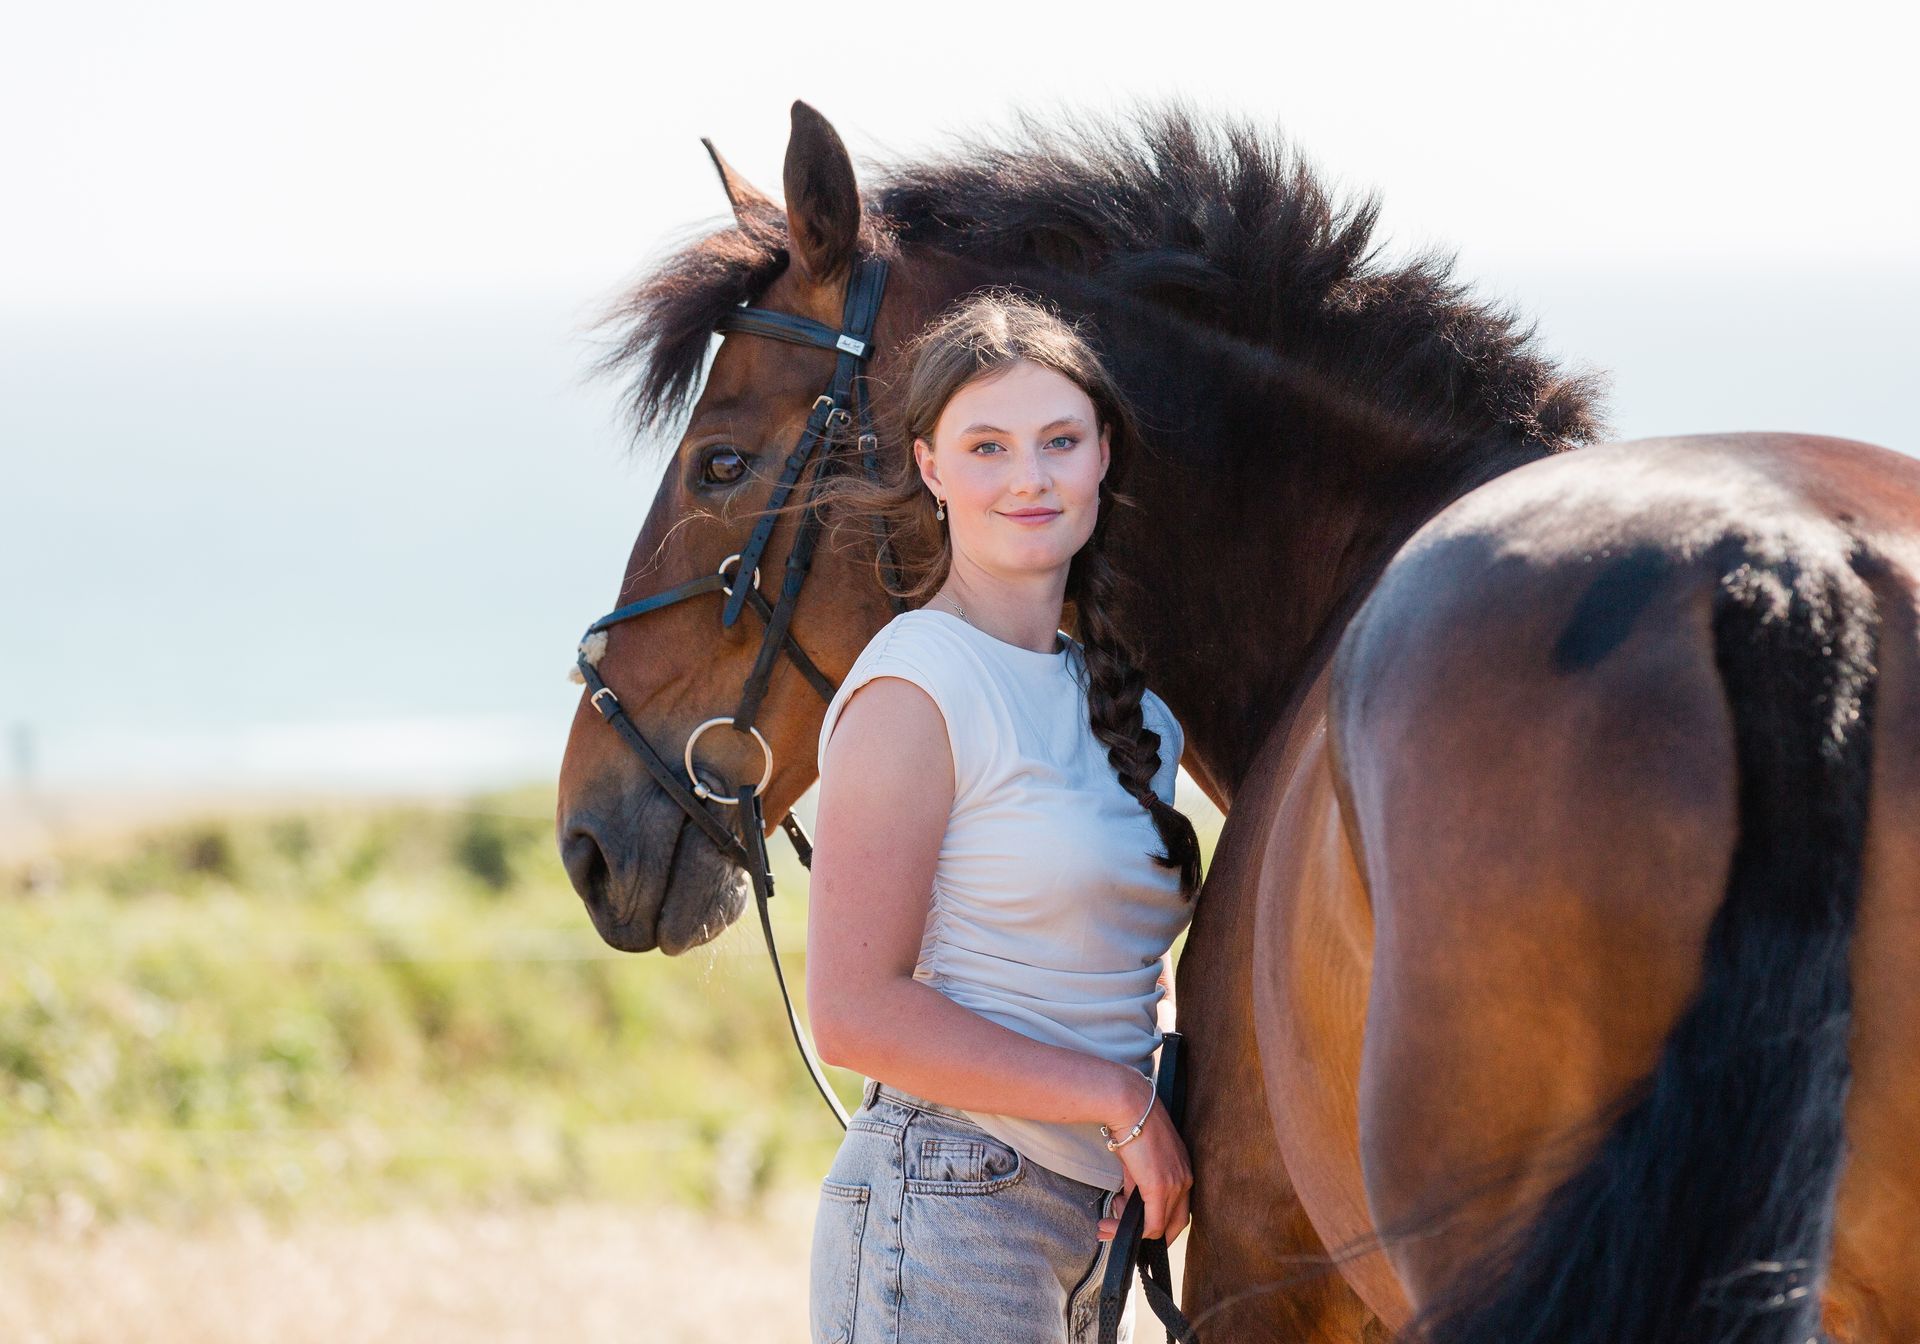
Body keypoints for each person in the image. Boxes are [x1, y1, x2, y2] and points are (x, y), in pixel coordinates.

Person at [804, 289, 1204, 1344]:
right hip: (948, 1203)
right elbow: (854, 1013)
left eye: (1058, 441)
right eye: (987, 446)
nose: (1029, 478)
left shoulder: (1135, 710)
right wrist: (1121, 1105)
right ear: (931, 467)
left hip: (1091, 1225)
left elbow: (1106, 967)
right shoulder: (916, 687)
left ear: (1102, 457)